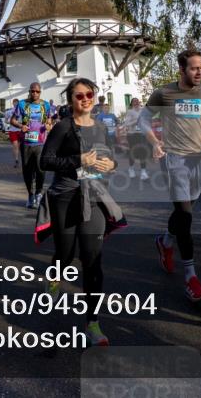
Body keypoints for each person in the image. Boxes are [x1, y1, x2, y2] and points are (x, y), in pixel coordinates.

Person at [39, 77, 125, 347]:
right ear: (71, 100)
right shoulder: (64, 127)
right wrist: (79, 160)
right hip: (65, 196)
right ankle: (55, 276)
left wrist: (111, 164)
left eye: (90, 94)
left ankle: (92, 323)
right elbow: (46, 161)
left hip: (94, 197)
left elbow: (109, 157)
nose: (85, 99)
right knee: (65, 256)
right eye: (79, 96)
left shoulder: (100, 128)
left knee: (93, 260)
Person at [143, 49, 201, 303]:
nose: (200, 72)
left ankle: (166, 241)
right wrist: (154, 142)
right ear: (182, 70)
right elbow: (143, 120)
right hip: (173, 159)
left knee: (183, 213)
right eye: (194, 68)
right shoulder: (164, 93)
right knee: (186, 216)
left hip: (198, 159)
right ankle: (191, 277)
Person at [10, 82, 54, 209]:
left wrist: (48, 125)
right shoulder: (22, 104)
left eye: (37, 91)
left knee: (41, 170)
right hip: (26, 143)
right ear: (29, 91)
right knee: (27, 171)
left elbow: (49, 121)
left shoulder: (45, 105)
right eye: (32, 91)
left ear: (40, 92)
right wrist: (20, 126)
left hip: (41, 143)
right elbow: (12, 120)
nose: (35, 93)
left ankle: (39, 194)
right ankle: (30, 195)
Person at [122, 98, 150, 180]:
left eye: (137, 101)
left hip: (142, 134)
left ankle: (143, 172)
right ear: (132, 103)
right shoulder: (130, 112)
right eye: (134, 101)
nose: (136, 103)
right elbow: (126, 124)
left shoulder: (143, 110)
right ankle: (131, 169)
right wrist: (136, 121)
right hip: (132, 135)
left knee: (143, 152)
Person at [5, 98, 21, 167]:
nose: (16, 104)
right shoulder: (9, 112)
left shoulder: (22, 111)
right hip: (12, 131)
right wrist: (10, 122)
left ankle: (19, 158)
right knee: (15, 145)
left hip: (20, 130)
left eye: (17, 103)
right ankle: (16, 160)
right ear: (13, 103)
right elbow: (6, 121)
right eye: (15, 103)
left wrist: (20, 123)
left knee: (19, 146)